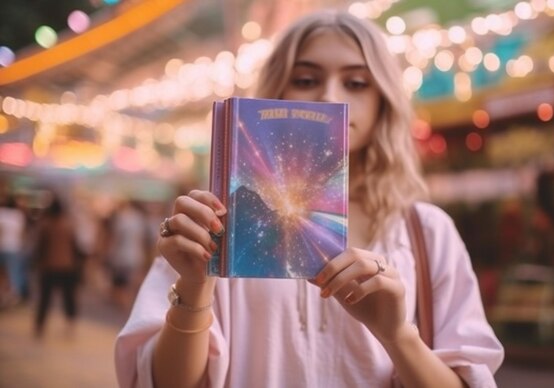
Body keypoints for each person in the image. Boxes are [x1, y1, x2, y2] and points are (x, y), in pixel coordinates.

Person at [115, 10, 504, 388]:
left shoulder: (426, 232)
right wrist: (195, 284)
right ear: (275, 93)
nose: (328, 96)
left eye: (356, 83)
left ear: (383, 101)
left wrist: (398, 336)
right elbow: (161, 382)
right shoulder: (221, 222)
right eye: (305, 79)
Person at [33, 192, 85, 338]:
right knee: (68, 298)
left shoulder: (45, 225)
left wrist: (38, 263)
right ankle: (70, 326)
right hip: (67, 266)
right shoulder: (69, 225)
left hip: (49, 266)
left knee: (44, 298)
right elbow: (76, 247)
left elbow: (40, 247)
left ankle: (40, 326)